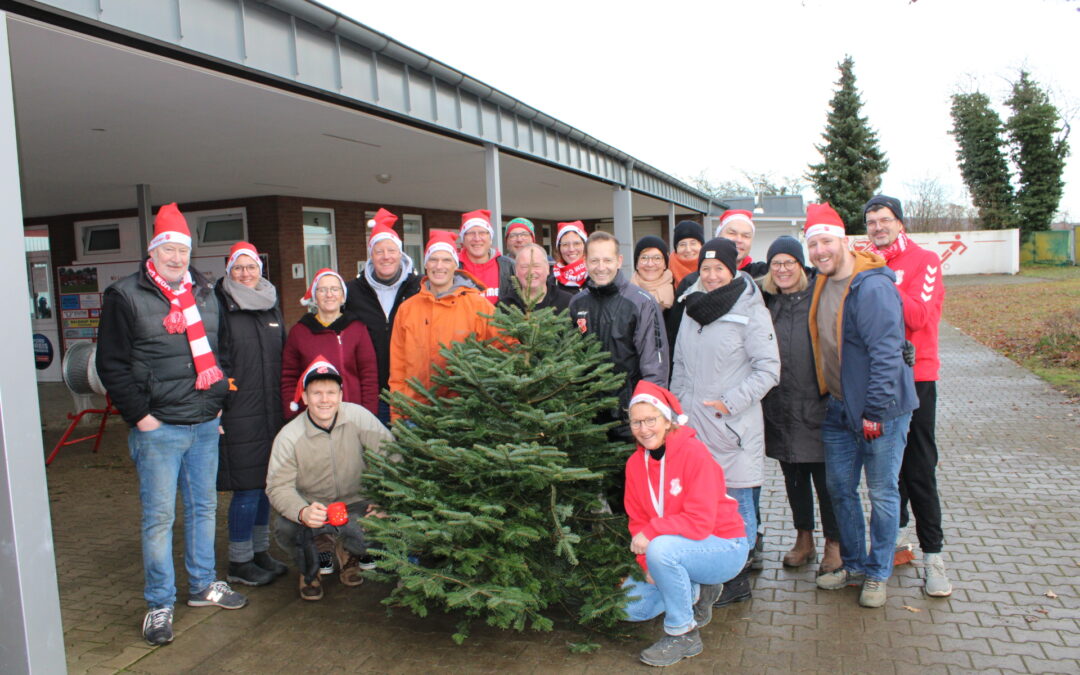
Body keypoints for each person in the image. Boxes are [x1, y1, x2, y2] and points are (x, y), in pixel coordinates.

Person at [96, 203, 244, 647]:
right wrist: (141, 418)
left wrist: (220, 402)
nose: (177, 258)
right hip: (158, 428)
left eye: (183, 250)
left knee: (203, 509)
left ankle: (202, 586)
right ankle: (160, 602)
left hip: (203, 424)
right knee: (159, 518)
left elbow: (224, 350)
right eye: (169, 250)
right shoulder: (124, 296)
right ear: (153, 251)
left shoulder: (205, 292)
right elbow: (112, 365)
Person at [805, 202, 918, 608]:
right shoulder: (821, 281)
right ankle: (853, 565)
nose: (820, 250)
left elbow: (887, 354)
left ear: (844, 242)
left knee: (883, 492)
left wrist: (873, 411)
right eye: (813, 243)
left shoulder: (870, 285)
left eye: (826, 242)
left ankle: (878, 573)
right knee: (840, 488)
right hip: (838, 407)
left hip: (879, 409)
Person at [670, 237, 780, 607]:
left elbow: (769, 370)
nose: (712, 275)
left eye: (719, 268)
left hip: (732, 426)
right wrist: (677, 414)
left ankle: (738, 577)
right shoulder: (691, 306)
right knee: (701, 502)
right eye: (706, 268)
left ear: (733, 270)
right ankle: (711, 571)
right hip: (694, 427)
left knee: (738, 501)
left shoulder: (751, 308)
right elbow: (681, 366)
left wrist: (728, 403)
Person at [621, 381, 748, 667]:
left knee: (662, 549)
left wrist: (653, 537)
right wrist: (645, 564)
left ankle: (683, 634)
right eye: (636, 422)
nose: (644, 429)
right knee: (629, 607)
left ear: (667, 421)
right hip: (675, 550)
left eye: (651, 420)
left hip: (724, 546)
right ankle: (697, 590)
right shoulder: (633, 465)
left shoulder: (694, 453)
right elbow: (637, 522)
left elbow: (700, 523)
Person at [863, 194, 951, 597]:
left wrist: (882, 279)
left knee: (918, 468)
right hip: (878, 378)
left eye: (885, 220)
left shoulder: (924, 261)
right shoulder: (865, 261)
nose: (878, 227)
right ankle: (895, 542)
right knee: (886, 469)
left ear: (900, 223)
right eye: (871, 222)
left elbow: (920, 316)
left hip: (916, 378)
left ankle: (935, 556)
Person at [266, 357, 394, 600]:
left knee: (378, 529)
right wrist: (301, 511)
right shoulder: (289, 436)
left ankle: (349, 551)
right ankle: (310, 567)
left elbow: (393, 457)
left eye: (330, 392)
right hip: (313, 505)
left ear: (341, 395)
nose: (324, 400)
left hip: (357, 502)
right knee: (285, 528)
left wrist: (384, 500)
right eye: (316, 393)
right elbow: (277, 486)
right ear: (304, 397)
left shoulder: (359, 418)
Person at [759, 236, 841, 574]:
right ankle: (803, 538)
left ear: (800, 265)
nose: (782, 270)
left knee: (827, 482)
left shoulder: (819, 295)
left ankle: (834, 544)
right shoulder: (767, 302)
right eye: (776, 264)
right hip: (781, 406)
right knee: (794, 479)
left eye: (789, 262)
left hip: (818, 404)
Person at [215, 242, 289, 587]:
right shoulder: (220, 306)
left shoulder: (271, 306)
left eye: (251, 267)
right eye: (239, 268)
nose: (246, 273)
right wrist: (222, 402)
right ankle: (239, 561)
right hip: (239, 412)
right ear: (229, 271)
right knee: (246, 488)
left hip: (270, 411)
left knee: (264, 486)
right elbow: (216, 360)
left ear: (261, 269)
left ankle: (260, 553)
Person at [569, 230, 668, 442]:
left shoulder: (641, 302)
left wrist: (645, 413)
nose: (601, 267)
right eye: (594, 260)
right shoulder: (577, 303)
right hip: (589, 415)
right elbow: (569, 358)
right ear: (585, 262)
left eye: (607, 260)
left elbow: (654, 365)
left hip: (629, 415)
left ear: (619, 261)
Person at [389, 230, 501, 417]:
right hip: (415, 413)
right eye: (433, 260)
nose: (439, 266)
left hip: (464, 414)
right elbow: (398, 369)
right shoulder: (407, 309)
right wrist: (399, 413)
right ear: (425, 264)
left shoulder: (478, 305)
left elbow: (503, 347)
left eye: (446, 260)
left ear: (455, 266)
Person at [344, 208, 421, 425]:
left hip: (412, 392)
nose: (386, 257)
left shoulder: (420, 287)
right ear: (371, 255)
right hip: (371, 394)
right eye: (379, 251)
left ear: (401, 254)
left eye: (391, 250)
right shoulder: (352, 291)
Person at [281, 268, 379, 420]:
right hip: (311, 417)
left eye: (334, 289)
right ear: (314, 296)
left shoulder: (357, 329)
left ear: (342, 296)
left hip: (352, 415)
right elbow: (289, 377)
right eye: (323, 290)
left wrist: (368, 416)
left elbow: (369, 377)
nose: (329, 294)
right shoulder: (299, 332)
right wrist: (293, 414)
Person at [457, 208, 515, 305]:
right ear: (463, 239)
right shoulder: (453, 267)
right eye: (471, 233)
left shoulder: (509, 266)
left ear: (490, 238)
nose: (477, 238)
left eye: (482, 233)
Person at [498, 242, 572, 313]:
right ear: (516, 271)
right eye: (524, 267)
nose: (531, 272)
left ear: (547, 269)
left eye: (536, 266)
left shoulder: (568, 303)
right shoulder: (504, 307)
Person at [713, 209, 768, 276]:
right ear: (718, 236)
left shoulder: (763, 275)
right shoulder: (703, 274)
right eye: (732, 233)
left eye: (746, 236)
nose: (739, 240)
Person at [632, 235, 675, 312]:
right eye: (644, 258)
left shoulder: (678, 293)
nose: (650, 264)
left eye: (657, 258)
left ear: (665, 265)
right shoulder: (624, 295)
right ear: (636, 264)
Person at [552, 220, 588, 292]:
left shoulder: (596, 275)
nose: (571, 249)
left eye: (576, 243)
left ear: (585, 246)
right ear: (559, 249)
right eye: (565, 244)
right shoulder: (551, 281)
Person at [669, 221, 704, 287]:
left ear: (701, 245)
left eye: (693, 243)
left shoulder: (712, 271)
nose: (688, 249)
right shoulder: (666, 272)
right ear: (676, 248)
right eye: (682, 244)